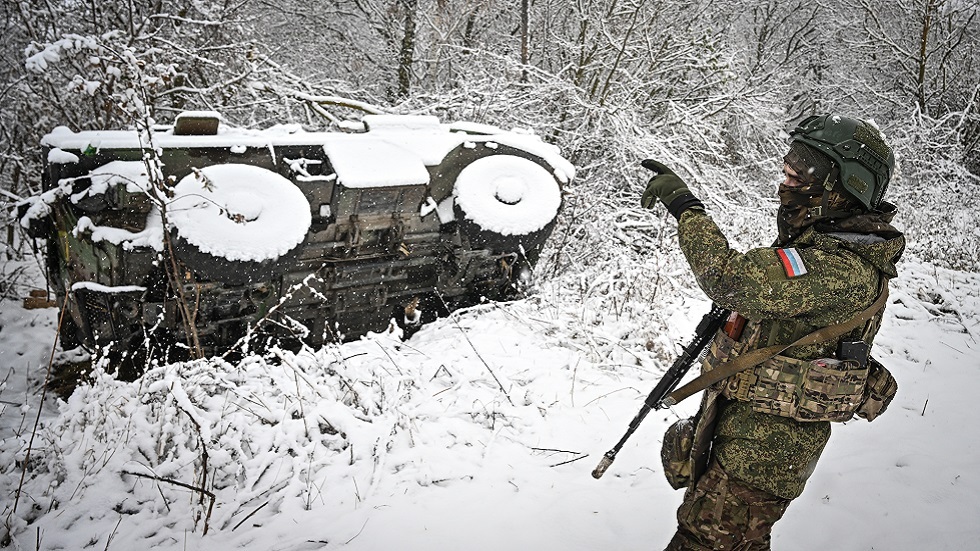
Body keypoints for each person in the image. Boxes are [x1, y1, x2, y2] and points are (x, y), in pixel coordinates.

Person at [640, 114, 906, 550]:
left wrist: (687, 208)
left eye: (800, 171)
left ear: (844, 185)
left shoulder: (841, 267)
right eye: (788, 166)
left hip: (763, 455)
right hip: (743, 435)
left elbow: (730, 278)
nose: (786, 178)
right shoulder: (821, 249)